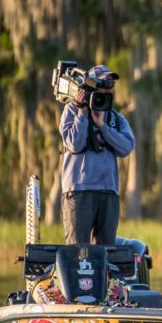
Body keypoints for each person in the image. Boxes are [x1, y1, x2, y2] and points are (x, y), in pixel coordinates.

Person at [60, 64, 135, 245]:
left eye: (110, 85)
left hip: (108, 191)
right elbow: (74, 144)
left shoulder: (116, 118)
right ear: (90, 86)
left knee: (105, 251)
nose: (106, 89)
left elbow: (126, 147)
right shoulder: (72, 110)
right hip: (79, 191)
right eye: (101, 84)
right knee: (78, 251)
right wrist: (82, 113)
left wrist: (103, 126)